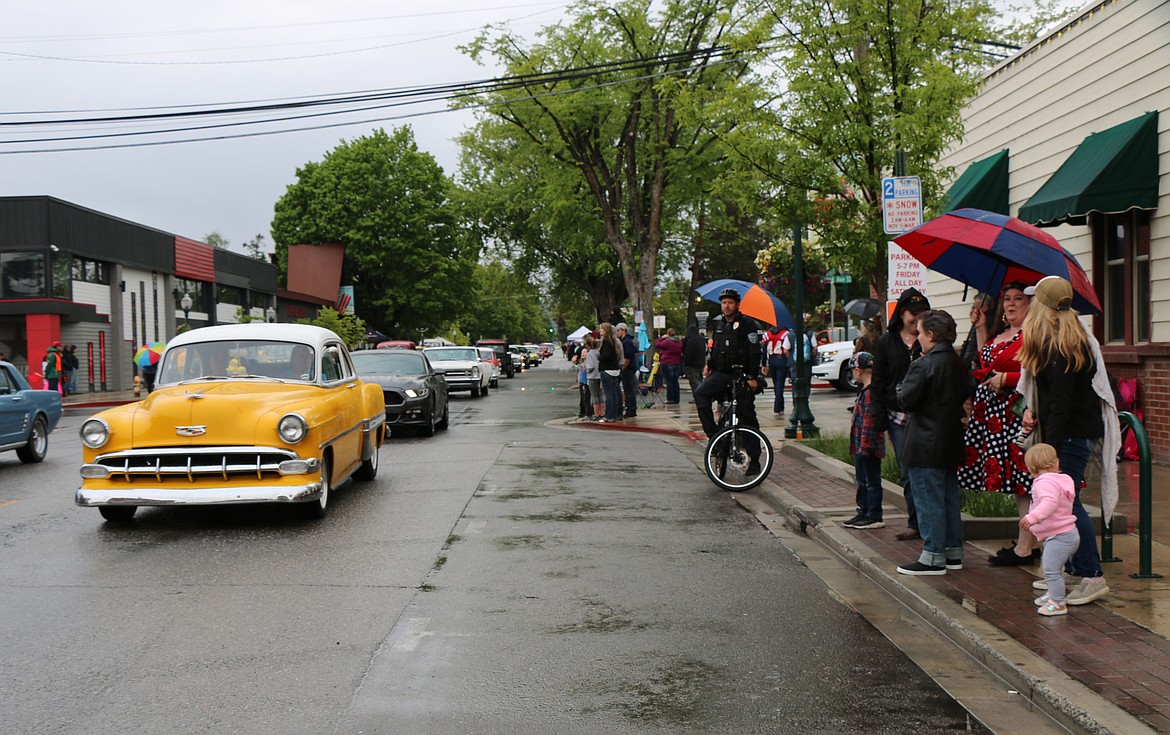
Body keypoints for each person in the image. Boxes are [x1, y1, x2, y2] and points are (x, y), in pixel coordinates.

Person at [1018, 275, 1118, 606]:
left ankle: (1091, 574)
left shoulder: (1058, 344)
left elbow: (1060, 403)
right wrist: (1034, 411)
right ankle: (1075, 568)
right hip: (1076, 431)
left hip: (1071, 435)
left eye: (1033, 299)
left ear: (1042, 306)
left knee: (1068, 503)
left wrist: (1050, 450)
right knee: (1066, 501)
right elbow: (1053, 401)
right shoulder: (1071, 337)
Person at [957, 282, 1037, 566]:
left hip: (1019, 413)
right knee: (1014, 481)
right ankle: (1027, 539)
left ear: (1031, 304)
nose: (1011, 304)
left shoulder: (1034, 335)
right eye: (1007, 299)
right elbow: (985, 365)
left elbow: (1037, 373)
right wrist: (980, 328)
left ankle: (1026, 547)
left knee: (1025, 479)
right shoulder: (1000, 334)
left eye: (1019, 298)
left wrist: (1008, 379)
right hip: (993, 416)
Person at [894, 310, 969, 576]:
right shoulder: (958, 362)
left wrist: (900, 387)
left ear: (932, 335)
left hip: (925, 440)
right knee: (948, 497)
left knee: (927, 498)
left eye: (921, 332)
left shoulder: (924, 365)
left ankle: (933, 555)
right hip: (950, 438)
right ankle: (952, 550)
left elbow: (906, 399)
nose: (919, 337)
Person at [871, 288, 930, 541]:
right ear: (902, 314)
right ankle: (915, 523)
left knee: (927, 470)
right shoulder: (888, 341)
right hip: (897, 416)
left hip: (925, 414)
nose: (916, 318)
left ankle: (929, 522)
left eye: (922, 313)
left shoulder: (930, 341)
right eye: (911, 313)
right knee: (907, 471)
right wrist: (878, 417)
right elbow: (878, 382)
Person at [693, 287, 766, 476]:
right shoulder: (719, 325)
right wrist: (709, 365)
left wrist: (752, 378)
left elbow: (754, 353)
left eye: (730, 302)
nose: (726, 306)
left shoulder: (748, 325)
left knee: (747, 416)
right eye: (724, 302)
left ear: (737, 305)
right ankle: (715, 437)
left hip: (741, 376)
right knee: (701, 393)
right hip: (720, 373)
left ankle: (755, 461)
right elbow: (715, 349)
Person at [1021, 443, 1080, 617]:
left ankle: (1058, 602)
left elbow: (1049, 503)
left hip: (1059, 536)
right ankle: (1053, 594)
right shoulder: (1061, 480)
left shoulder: (1043, 484)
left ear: (1031, 468)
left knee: (1051, 569)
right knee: (1054, 568)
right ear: (1056, 463)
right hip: (1065, 534)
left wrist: (1033, 517)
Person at [842, 352, 885, 530]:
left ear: (858, 371)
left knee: (871, 481)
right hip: (861, 446)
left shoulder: (870, 394)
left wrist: (865, 446)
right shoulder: (866, 391)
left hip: (868, 447)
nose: (852, 374)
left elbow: (869, 422)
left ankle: (874, 515)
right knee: (862, 480)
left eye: (853, 370)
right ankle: (863, 511)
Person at [598, 323, 623, 422]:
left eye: (601, 329)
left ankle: (609, 415)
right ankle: (615, 413)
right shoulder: (614, 341)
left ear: (605, 330)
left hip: (607, 369)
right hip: (615, 370)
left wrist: (599, 357)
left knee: (609, 394)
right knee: (614, 393)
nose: (600, 330)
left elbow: (606, 356)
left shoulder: (606, 342)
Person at [762, 326, 790, 416]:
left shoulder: (767, 334)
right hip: (781, 359)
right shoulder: (785, 333)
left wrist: (764, 364)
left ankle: (779, 406)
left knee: (776, 384)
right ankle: (778, 407)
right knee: (780, 384)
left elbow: (764, 350)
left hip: (772, 359)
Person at [654, 328, 684, 405]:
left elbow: (657, 345)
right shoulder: (679, 342)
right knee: (675, 381)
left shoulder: (667, 342)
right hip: (677, 362)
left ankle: (670, 398)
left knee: (669, 381)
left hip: (667, 362)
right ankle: (676, 399)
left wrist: (662, 338)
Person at [617, 323, 638, 419]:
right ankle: (629, 408)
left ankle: (631, 410)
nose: (617, 332)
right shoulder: (625, 341)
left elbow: (628, 357)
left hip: (628, 369)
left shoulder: (627, 342)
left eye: (618, 330)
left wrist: (622, 368)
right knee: (627, 389)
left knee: (629, 390)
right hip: (628, 368)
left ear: (623, 330)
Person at [682, 324, 707, 395]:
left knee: (694, 381)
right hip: (701, 362)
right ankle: (702, 394)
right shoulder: (702, 339)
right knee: (700, 379)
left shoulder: (691, 340)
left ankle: (699, 396)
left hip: (692, 364)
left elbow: (689, 353)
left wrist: (687, 363)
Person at [584, 336, 605, 421]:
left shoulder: (589, 354)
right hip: (599, 375)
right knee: (600, 394)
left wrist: (586, 368)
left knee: (594, 395)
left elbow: (590, 366)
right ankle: (602, 413)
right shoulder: (599, 353)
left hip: (592, 376)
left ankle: (596, 414)